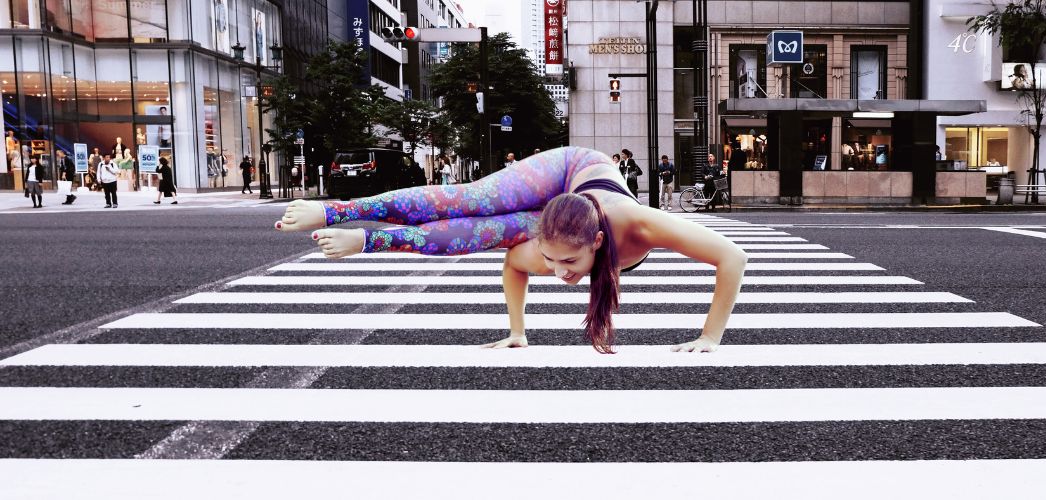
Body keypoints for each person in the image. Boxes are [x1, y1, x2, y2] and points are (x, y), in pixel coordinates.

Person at [274, 147, 748, 353]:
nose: (559, 272)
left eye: (568, 262)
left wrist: (710, 336)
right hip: (568, 168)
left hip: (585, 189)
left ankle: (369, 237)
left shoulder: (644, 226)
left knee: (492, 229)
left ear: (598, 244)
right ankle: (339, 213)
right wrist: (518, 328)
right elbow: (515, 264)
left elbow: (733, 256)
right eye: (551, 258)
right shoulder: (549, 245)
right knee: (473, 203)